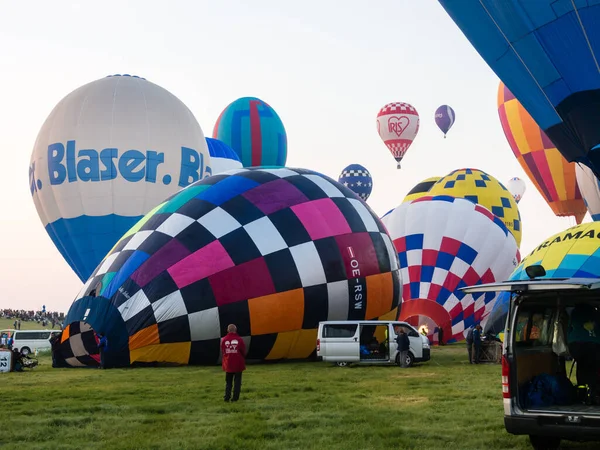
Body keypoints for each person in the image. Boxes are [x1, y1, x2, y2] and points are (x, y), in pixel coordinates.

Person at [221, 324, 246, 402]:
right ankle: (235, 398)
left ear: (228, 330)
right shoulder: (239, 339)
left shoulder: (224, 340)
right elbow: (243, 351)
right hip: (238, 364)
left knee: (228, 382)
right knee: (237, 382)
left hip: (228, 364)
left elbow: (223, 351)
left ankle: (226, 397)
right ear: (236, 330)